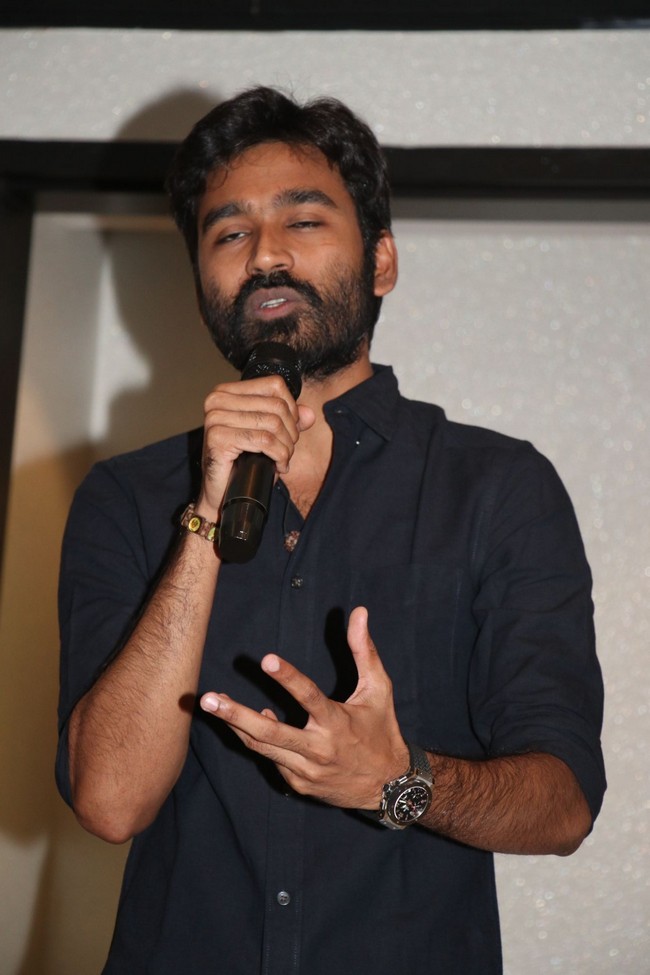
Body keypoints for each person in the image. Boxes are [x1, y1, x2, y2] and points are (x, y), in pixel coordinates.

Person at [56, 86, 606, 974]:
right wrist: (205, 516)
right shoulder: (125, 496)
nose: (265, 253)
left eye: (303, 220)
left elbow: (563, 804)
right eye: (229, 233)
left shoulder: (497, 487)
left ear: (382, 260)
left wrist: (398, 782)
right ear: (201, 281)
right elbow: (111, 801)